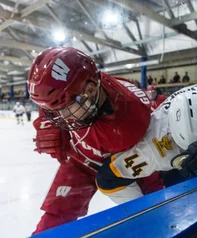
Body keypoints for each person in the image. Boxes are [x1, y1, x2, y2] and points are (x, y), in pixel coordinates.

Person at [27, 47, 163, 234]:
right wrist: (47, 120)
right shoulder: (84, 83)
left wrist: (158, 199)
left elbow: (148, 168)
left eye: (64, 108)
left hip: (119, 163)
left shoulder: (129, 124)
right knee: (54, 219)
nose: (61, 118)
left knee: (148, 220)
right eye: (53, 111)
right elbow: (52, 99)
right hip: (82, 158)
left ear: (90, 90)